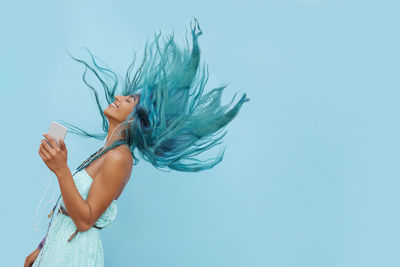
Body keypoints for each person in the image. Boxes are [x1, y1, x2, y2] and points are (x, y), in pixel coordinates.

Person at [25, 17, 249, 267]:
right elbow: (71, 208)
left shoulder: (120, 157)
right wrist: (42, 248)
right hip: (61, 247)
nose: (118, 97)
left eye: (129, 100)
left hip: (74, 254)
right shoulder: (106, 152)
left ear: (138, 120)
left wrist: (61, 169)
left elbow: (85, 220)